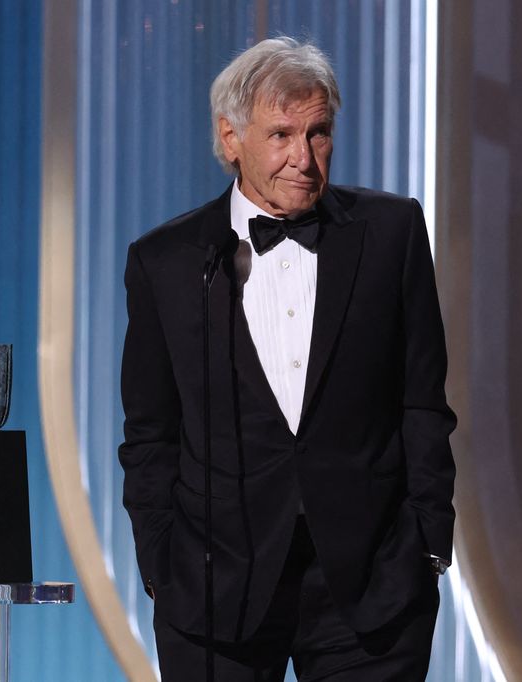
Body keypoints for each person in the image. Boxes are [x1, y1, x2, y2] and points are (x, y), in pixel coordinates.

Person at [119, 36, 456, 681]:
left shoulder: (391, 234)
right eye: (280, 135)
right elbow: (150, 434)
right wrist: (161, 564)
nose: (303, 158)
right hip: (215, 586)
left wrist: (429, 544)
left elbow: (423, 401)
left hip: (372, 583)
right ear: (230, 138)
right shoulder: (167, 262)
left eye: (319, 133)